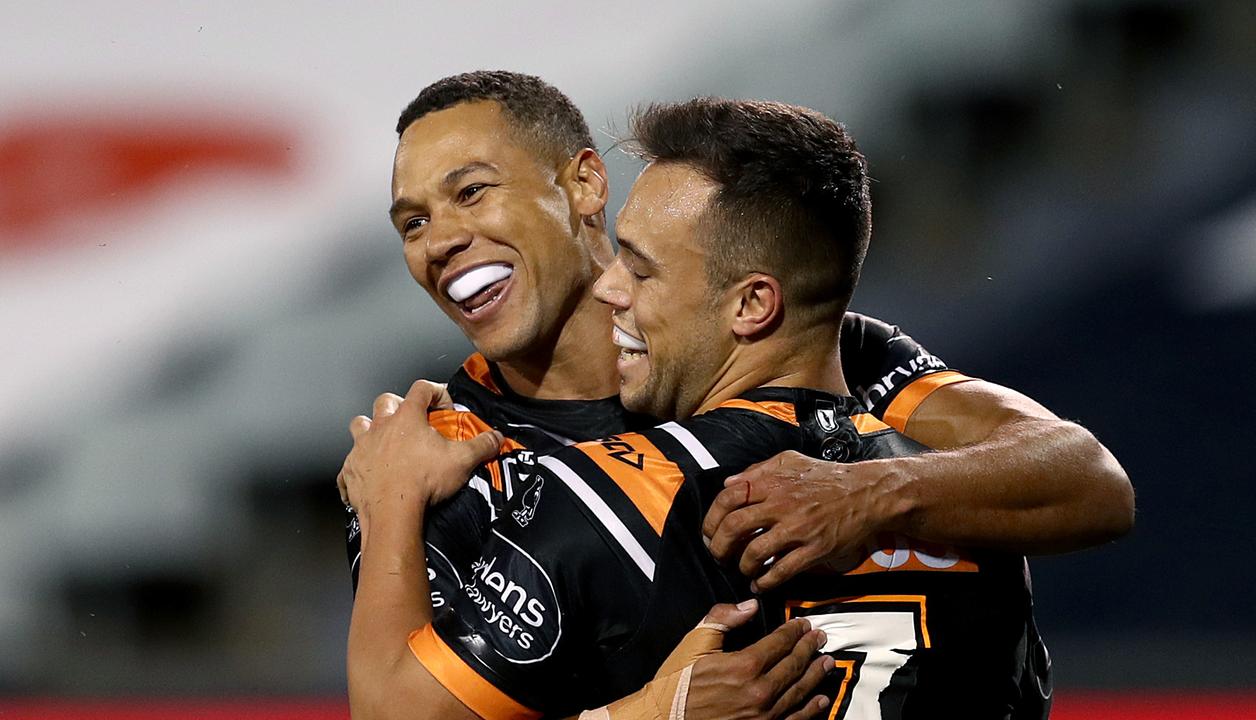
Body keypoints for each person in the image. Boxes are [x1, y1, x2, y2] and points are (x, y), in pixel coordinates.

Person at [343, 97, 1060, 719]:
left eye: (472, 191)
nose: (611, 288)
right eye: (411, 223)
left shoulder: (589, 495)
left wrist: (650, 714)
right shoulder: (982, 502)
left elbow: (398, 711)